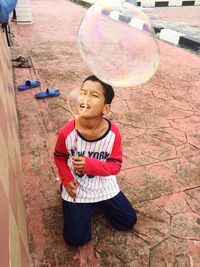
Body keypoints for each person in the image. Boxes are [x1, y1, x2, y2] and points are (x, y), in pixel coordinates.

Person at [54, 75, 137, 246]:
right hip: (78, 187)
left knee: (128, 221)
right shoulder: (66, 132)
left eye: (94, 95)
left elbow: (115, 166)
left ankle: (95, 204)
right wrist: (67, 179)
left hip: (103, 185)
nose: (85, 98)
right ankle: (79, 202)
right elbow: (60, 157)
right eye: (83, 93)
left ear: (105, 109)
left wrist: (90, 165)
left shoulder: (113, 133)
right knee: (75, 239)